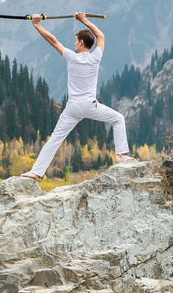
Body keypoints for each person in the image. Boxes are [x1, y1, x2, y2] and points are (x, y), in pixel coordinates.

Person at [21, 12, 135, 180]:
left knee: (55, 139)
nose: (74, 44)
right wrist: (84, 20)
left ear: (81, 42)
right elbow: (100, 36)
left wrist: (36, 24)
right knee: (118, 119)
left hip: (73, 108)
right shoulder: (95, 57)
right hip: (90, 105)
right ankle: (120, 155)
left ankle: (36, 172)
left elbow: (52, 40)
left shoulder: (71, 57)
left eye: (76, 41)